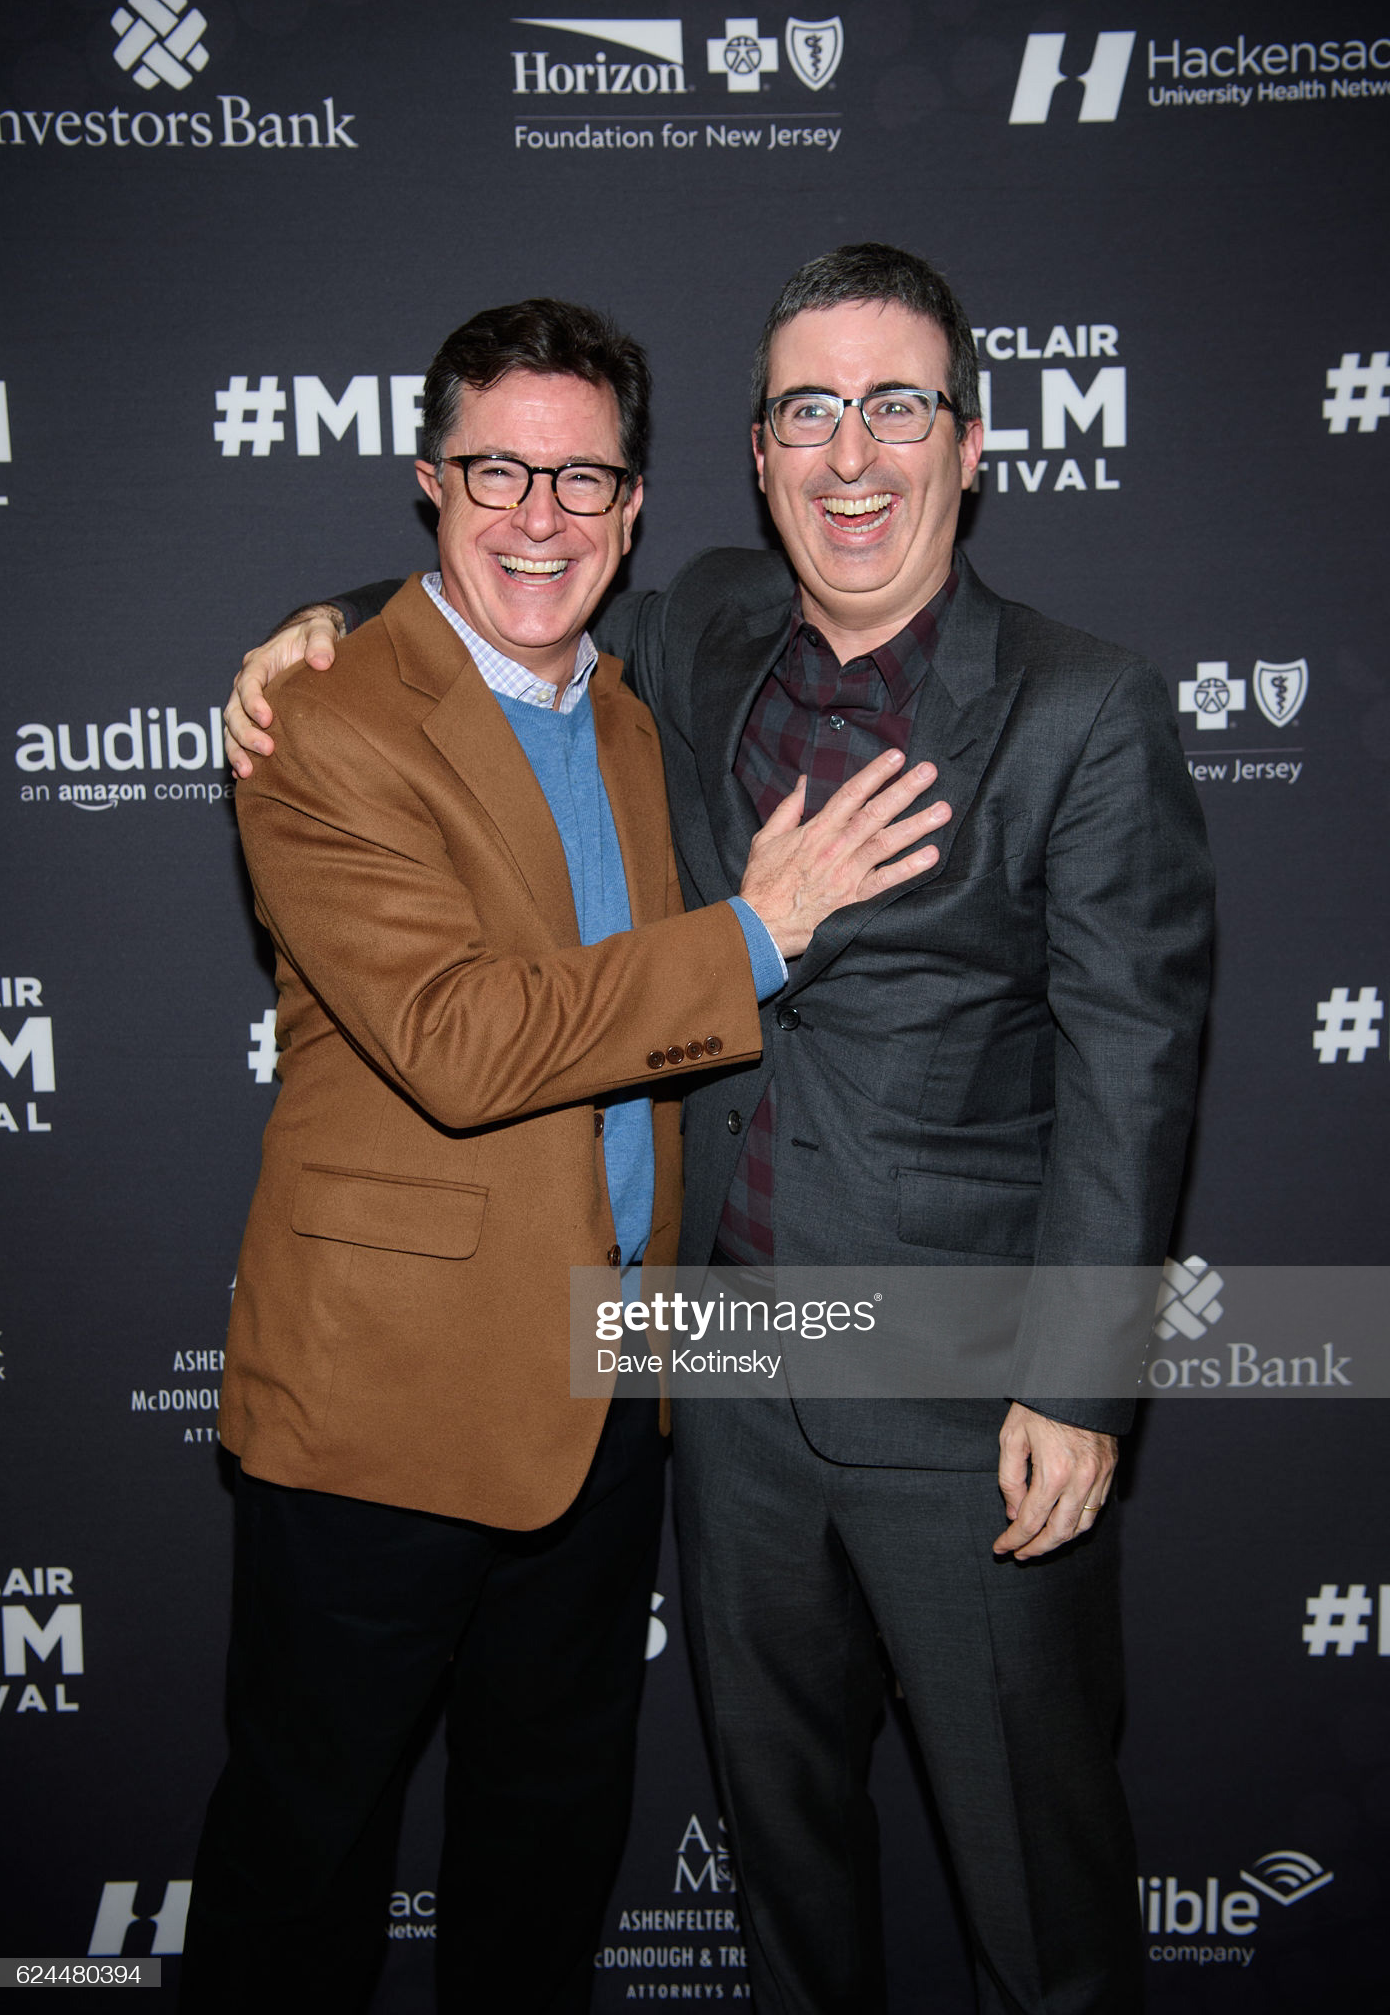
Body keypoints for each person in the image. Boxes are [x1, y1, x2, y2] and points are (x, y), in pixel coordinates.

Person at [226, 248, 1214, 2014]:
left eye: (896, 405)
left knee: (1031, 1889)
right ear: (760, 460)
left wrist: (1080, 1381)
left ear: (973, 441)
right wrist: (318, 621)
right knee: (779, 1879)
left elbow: (1134, 1062)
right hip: (706, 1393)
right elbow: (498, 597)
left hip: (955, 1401)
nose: (853, 453)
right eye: (809, 411)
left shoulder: (1081, 704)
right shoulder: (701, 635)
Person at [186, 293, 950, 2015]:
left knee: (545, 1862)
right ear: (429, 479)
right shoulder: (323, 719)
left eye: (581, 479)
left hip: (607, 1398)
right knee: (302, 1865)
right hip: (381, 1405)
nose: (539, 516)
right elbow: (461, 1043)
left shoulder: (635, 711)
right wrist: (759, 932)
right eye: (498, 472)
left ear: (634, 503)